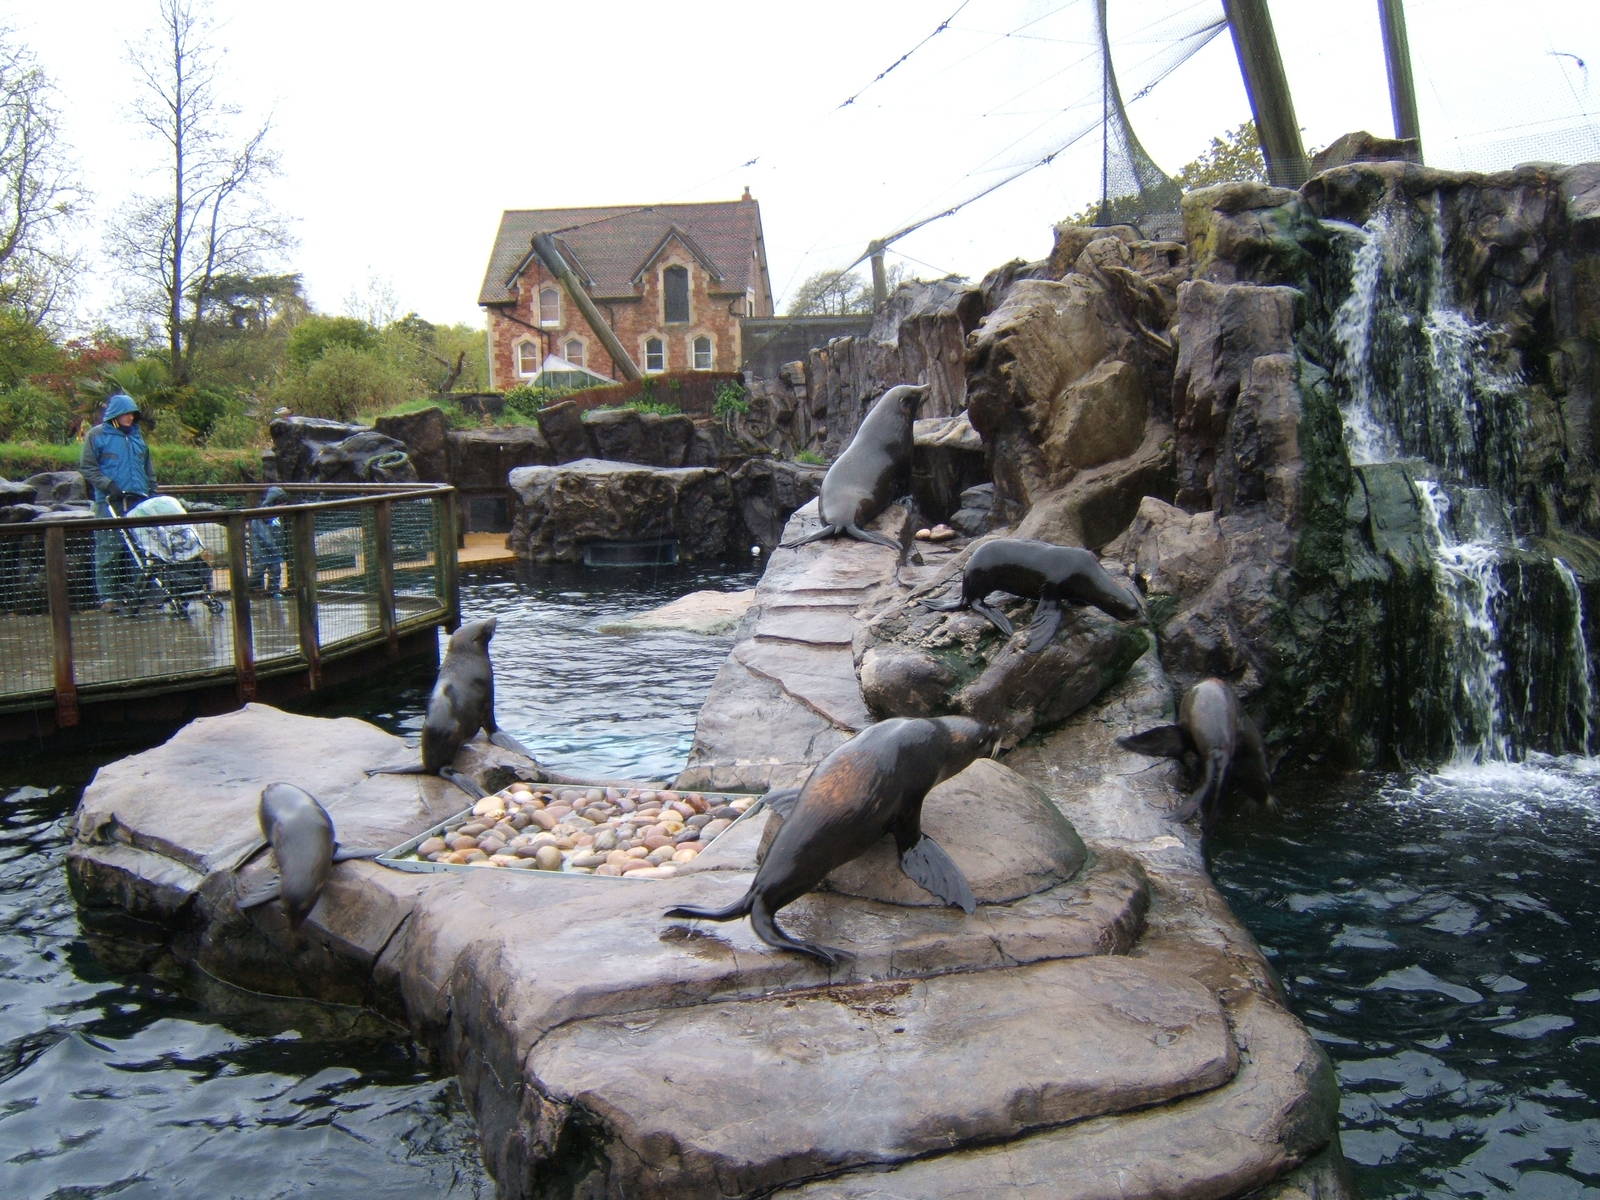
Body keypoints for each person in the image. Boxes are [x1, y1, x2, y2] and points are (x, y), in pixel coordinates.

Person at [78, 392, 157, 613]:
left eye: (133, 414)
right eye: (126, 414)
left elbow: (148, 467)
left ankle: (139, 594)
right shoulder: (97, 435)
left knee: (141, 549)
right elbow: (87, 467)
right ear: (116, 414)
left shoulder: (137, 437)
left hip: (138, 500)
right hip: (109, 501)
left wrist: (152, 491)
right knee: (108, 548)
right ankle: (108, 597)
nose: (130, 418)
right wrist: (107, 484)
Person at [247, 486, 290, 595]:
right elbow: (264, 535)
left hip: (274, 551)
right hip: (262, 550)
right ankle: (241, 591)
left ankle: (273, 593)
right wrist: (275, 549)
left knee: (276, 571)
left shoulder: (276, 515)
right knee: (257, 573)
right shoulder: (260, 514)